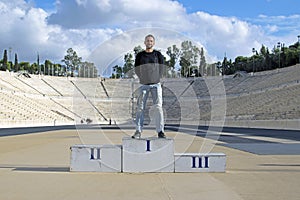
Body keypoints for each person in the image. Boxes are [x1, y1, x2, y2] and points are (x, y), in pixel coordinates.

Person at [132, 34, 166, 139]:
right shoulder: (140, 55)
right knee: (140, 108)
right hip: (143, 85)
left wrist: (157, 78)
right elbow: (136, 68)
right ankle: (138, 130)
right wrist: (142, 78)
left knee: (158, 107)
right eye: (147, 41)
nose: (149, 43)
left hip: (156, 84)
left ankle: (160, 131)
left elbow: (162, 68)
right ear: (144, 42)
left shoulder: (158, 55)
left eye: (151, 41)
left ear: (153, 43)